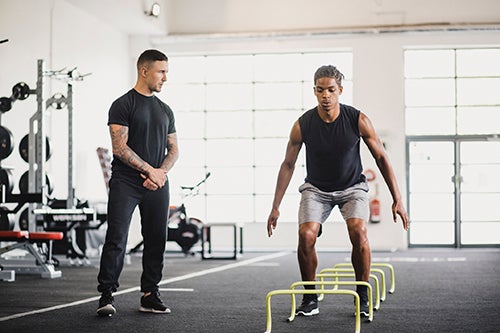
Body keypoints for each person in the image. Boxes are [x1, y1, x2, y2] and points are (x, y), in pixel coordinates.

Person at [267, 65, 409, 318]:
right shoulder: (303, 125)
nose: (326, 96)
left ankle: (362, 296)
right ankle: (310, 299)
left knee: (358, 229)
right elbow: (288, 164)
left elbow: (381, 158)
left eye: (331, 90)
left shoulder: (358, 120)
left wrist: (398, 199)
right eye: (320, 90)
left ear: (340, 90)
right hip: (316, 189)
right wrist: (275, 206)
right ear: (314, 91)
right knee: (306, 235)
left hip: (352, 187)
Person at [96, 49, 179, 317]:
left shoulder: (165, 110)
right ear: (144, 71)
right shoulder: (123, 104)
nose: (166, 77)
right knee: (117, 237)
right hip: (126, 182)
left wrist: (160, 173)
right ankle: (107, 295)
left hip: (157, 183)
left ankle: (149, 294)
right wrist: (149, 171)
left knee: (157, 239)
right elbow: (119, 148)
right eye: (161, 71)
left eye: (166, 71)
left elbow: (174, 149)